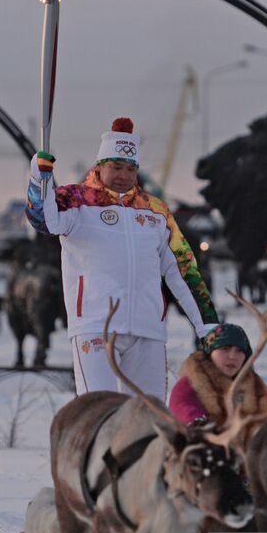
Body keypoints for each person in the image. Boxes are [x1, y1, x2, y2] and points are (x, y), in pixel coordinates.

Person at [27, 117, 219, 396]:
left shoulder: (156, 211)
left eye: (130, 169)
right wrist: (40, 179)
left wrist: (208, 326)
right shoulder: (75, 200)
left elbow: (184, 270)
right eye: (116, 167)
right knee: (99, 410)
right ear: (100, 165)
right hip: (96, 328)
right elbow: (42, 219)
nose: (123, 176)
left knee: (149, 415)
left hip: (148, 331)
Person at [169, 323, 267, 445]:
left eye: (239, 350)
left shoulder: (255, 389)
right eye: (225, 349)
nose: (232, 356)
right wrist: (202, 426)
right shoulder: (192, 383)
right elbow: (185, 409)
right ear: (210, 351)